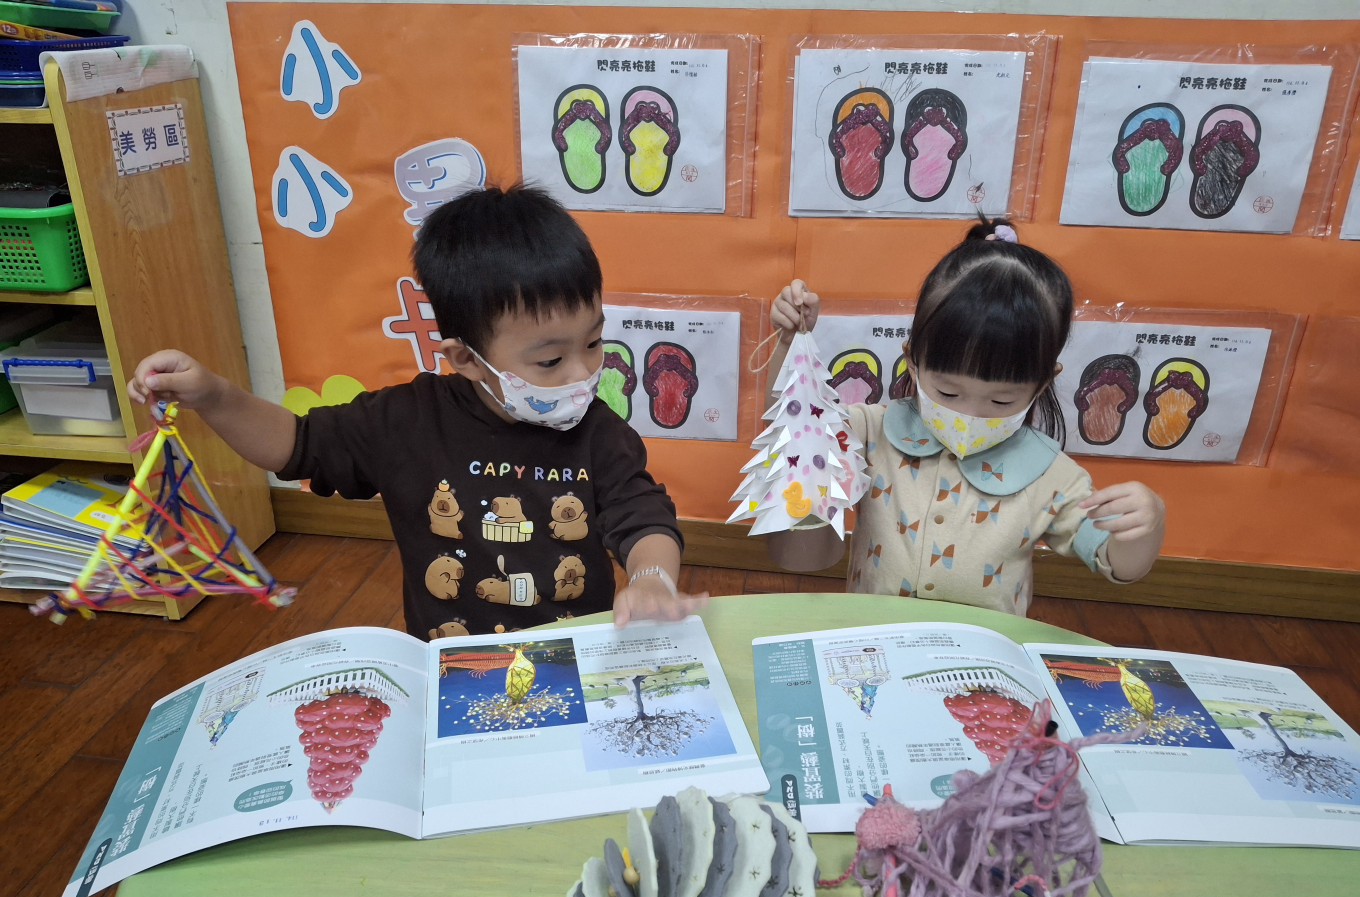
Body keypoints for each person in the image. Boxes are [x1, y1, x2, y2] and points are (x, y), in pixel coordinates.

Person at [128, 183, 705, 638]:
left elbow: (643, 518)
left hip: (574, 653)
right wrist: (214, 396)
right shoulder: (407, 421)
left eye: (594, 342)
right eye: (550, 360)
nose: (582, 374)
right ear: (467, 358)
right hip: (450, 666)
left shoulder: (598, 432)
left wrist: (652, 578)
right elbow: (296, 445)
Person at [765, 217, 1165, 617]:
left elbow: (1115, 563)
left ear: (1043, 384)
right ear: (913, 362)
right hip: (876, 638)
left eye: (1001, 401)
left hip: (984, 649)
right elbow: (794, 426)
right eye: (948, 393)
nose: (968, 415)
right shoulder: (874, 431)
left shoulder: (1050, 474)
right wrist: (790, 341)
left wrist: (1145, 528)